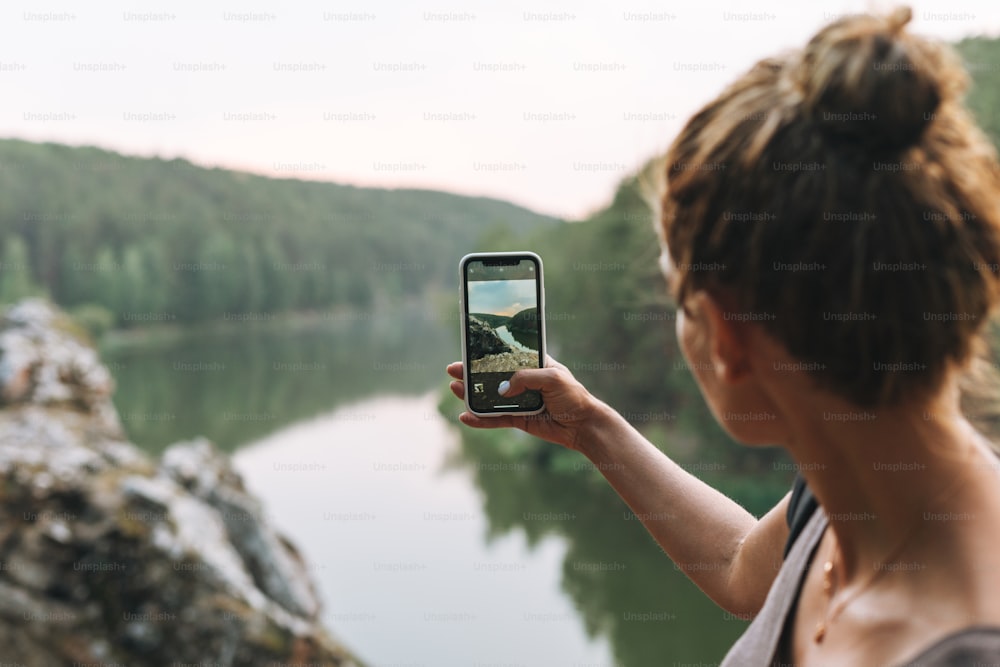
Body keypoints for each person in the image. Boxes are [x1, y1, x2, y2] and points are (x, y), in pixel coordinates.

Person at [446, 7, 1000, 666]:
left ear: (725, 339)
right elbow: (743, 569)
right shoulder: (854, 484)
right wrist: (591, 428)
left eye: (678, 299)